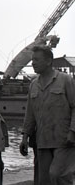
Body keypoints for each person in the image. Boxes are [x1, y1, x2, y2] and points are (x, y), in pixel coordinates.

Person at [19, 45, 75, 185]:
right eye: (32, 60)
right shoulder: (33, 85)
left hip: (64, 140)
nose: (33, 63)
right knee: (44, 180)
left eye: (36, 60)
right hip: (42, 140)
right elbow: (30, 114)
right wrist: (25, 137)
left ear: (49, 61)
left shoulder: (65, 80)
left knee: (58, 175)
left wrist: (72, 132)